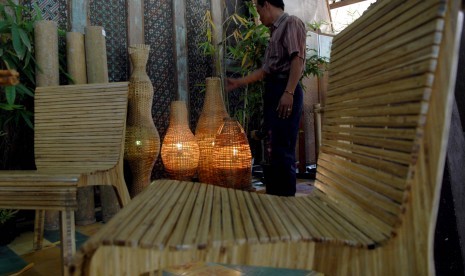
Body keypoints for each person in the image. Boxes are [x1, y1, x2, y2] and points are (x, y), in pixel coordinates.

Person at [226, 0, 306, 196]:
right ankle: (276, 196)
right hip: (274, 89)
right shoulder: (274, 32)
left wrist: (289, 92)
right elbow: (265, 70)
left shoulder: (291, 23)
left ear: (267, 5)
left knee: (283, 148)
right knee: (274, 148)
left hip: (285, 88)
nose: (259, 17)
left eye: (259, 11)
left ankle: (286, 200)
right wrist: (240, 82)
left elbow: (298, 59)